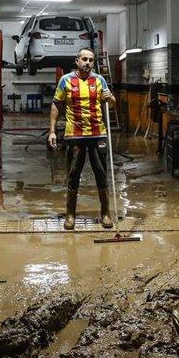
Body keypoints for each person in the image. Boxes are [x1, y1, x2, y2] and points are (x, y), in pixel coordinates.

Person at [48, 48, 116, 230]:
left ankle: (106, 213)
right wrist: (52, 131)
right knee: (73, 175)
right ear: (77, 61)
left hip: (98, 134)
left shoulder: (100, 80)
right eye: (84, 59)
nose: (87, 62)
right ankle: (70, 215)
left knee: (101, 174)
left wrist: (110, 98)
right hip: (75, 135)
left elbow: (112, 102)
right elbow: (56, 104)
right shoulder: (66, 80)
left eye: (91, 60)